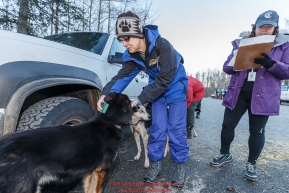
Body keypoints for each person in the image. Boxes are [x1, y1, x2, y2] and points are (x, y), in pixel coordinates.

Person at [96, 11, 189, 188]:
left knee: (176, 129)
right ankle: (155, 163)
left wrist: (138, 99)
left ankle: (180, 165)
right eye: (121, 40)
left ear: (138, 33)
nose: (124, 43)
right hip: (156, 88)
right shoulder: (131, 55)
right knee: (157, 127)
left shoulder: (163, 46)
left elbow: (165, 80)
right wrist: (105, 95)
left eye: (127, 38)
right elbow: (122, 77)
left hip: (175, 85)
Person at [210, 10, 289, 182]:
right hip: (238, 92)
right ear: (255, 27)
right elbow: (226, 67)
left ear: (275, 29)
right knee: (227, 126)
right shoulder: (241, 43)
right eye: (261, 26)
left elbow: (287, 70)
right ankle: (225, 154)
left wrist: (272, 64)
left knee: (257, 131)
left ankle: (251, 163)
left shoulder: (284, 46)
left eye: (269, 27)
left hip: (264, 95)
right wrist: (237, 63)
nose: (265, 30)